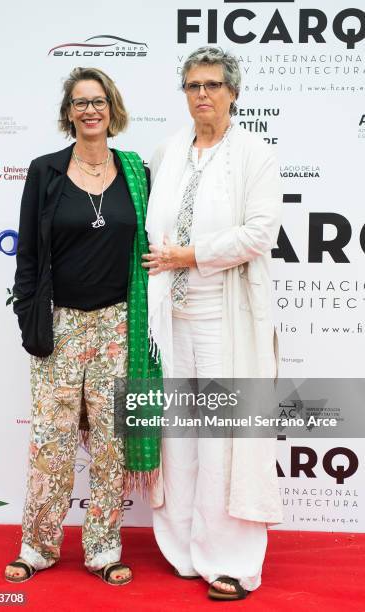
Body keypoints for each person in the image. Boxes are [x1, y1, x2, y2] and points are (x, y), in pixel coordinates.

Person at [5, 66, 161, 585]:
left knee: (112, 442)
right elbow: (28, 252)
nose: (89, 110)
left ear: (112, 109)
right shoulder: (45, 171)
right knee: (51, 439)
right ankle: (38, 545)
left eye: (98, 101)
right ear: (68, 113)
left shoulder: (135, 171)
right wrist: (30, 317)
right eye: (79, 102)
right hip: (61, 324)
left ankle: (102, 548)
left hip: (120, 323)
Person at [142, 47, 283, 601]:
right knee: (178, 436)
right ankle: (183, 550)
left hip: (225, 318)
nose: (202, 94)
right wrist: (169, 266)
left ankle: (231, 560)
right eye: (193, 85)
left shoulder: (255, 154)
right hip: (169, 319)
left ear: (234, 92)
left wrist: (189, 256)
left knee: (223, 437)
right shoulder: (168, 149)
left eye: (213, 85)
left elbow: (259, 233)